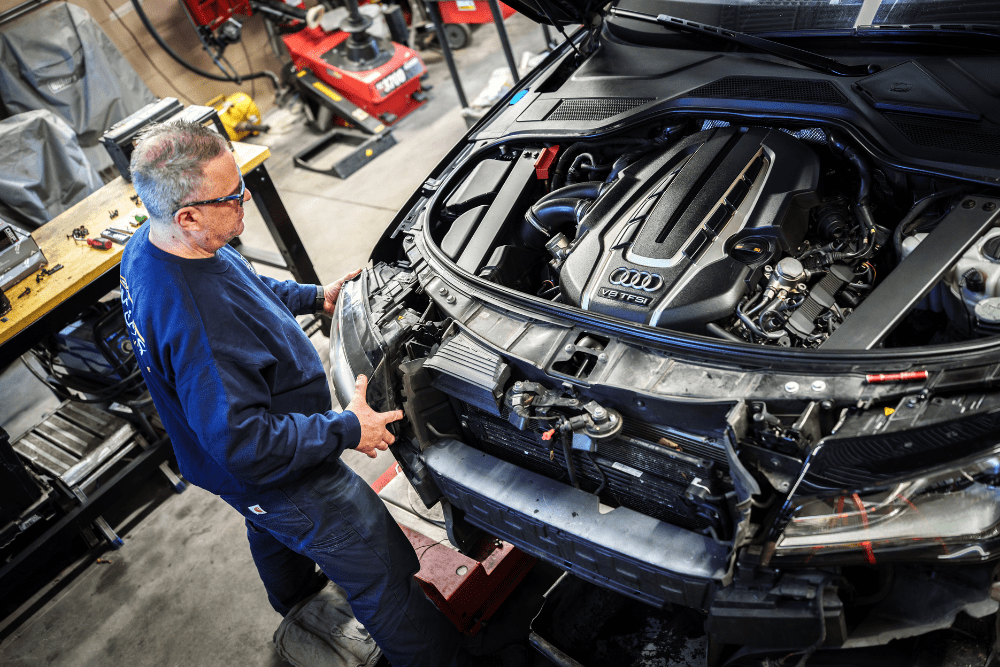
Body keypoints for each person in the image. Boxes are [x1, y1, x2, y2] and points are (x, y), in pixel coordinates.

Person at [119, 120, 466, 667]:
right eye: (233, 196)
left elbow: (244, 286)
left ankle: (300, 608)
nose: (246, 198)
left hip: (237, 468)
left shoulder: (161, 243)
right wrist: (349, 428)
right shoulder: (196, 323)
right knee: (380, 566)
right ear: (188, 215)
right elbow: (246, 444)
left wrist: (315, 298)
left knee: (270, 526)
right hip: (276, 468)